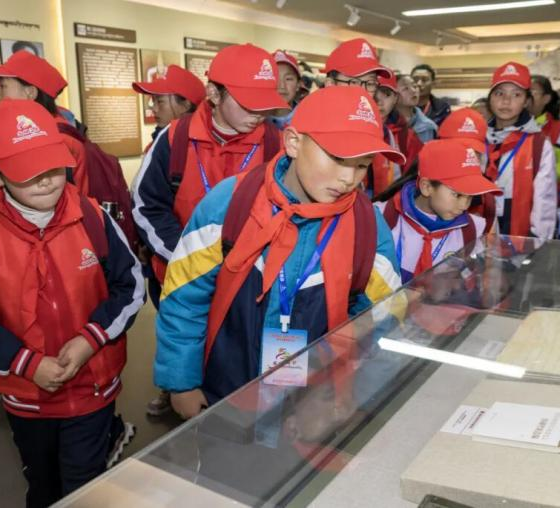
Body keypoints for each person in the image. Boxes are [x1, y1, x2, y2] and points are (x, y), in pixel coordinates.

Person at [0, 99, 145, 507]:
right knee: (43, 485)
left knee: (85, 487)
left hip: (93, 387)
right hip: (26, 398)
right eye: (28, 173)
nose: (47, 181)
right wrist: (27, 364)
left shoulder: (92, 216)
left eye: (52, 166)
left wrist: (90, 339)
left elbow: (130, 287)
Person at [154, 86, 404, 419]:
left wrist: (358, 392)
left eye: (362, 165)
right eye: (337, 158)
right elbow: (184, 297)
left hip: (313, 405)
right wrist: (181, 383)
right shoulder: (230, 203)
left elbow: (386, 314)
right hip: (226, 393)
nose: (348, 178)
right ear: (294, 142)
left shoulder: (367, 226)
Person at [132, 43, 285, 416]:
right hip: (179, 274)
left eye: (265, 105)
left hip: (246, 280)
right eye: (248, 103)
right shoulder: (175, 139)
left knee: (235, 353)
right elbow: (146, 205)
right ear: (214, 93)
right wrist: (186, 257)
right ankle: (177, 389)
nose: (259, 114)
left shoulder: (276, 144)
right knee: (183, 337)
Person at [378, 139, 501, 283]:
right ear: (427, 187)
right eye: (457, 195)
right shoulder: (380, 218)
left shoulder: (473, 231)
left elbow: (476, 282)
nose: (464, 206)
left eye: (470, 196)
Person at [0, 51, 89, 195]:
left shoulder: (58, 139)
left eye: (3, 87)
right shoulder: (52, 132)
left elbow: (72, 199)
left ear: (30, 93)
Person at [482, 62, 557, 239]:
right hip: (479, 232)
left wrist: (537, 242)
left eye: (516, 94)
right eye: (499, 93)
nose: (506, 101)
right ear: (490, 98)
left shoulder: (538, 144)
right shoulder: (478, 139)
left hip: (520, 235)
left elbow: (544, 200)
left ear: (526, 101)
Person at [372, 73, 423, 195]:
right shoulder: (351, 130)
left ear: (395, 98)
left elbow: (412, 178)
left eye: (387, 95)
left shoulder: (408, 137)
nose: (379, 102)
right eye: (374, 94)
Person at [132, 64, 206, 145]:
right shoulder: (160, 139)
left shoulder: (193, 147)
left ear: (185, 106)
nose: (154, 109)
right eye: (153, 101)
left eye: (160, 101)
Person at [529, 75, 560, 185]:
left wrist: (541, 175)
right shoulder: (507, 124)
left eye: (532, 92)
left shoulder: (557, 129)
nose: (527, 96)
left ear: (546, 98)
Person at [395, 74, 438, 143]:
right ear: (392, 94)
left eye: (415, 86)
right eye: (406, 88)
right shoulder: (384, 123)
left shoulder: (428, 127)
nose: (413, 90)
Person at [269, 50, 303, 130]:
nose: (282, 86)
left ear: (298, 84)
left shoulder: (308, 117)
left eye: (288, 79)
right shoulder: (251, 119)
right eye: (275, 78)